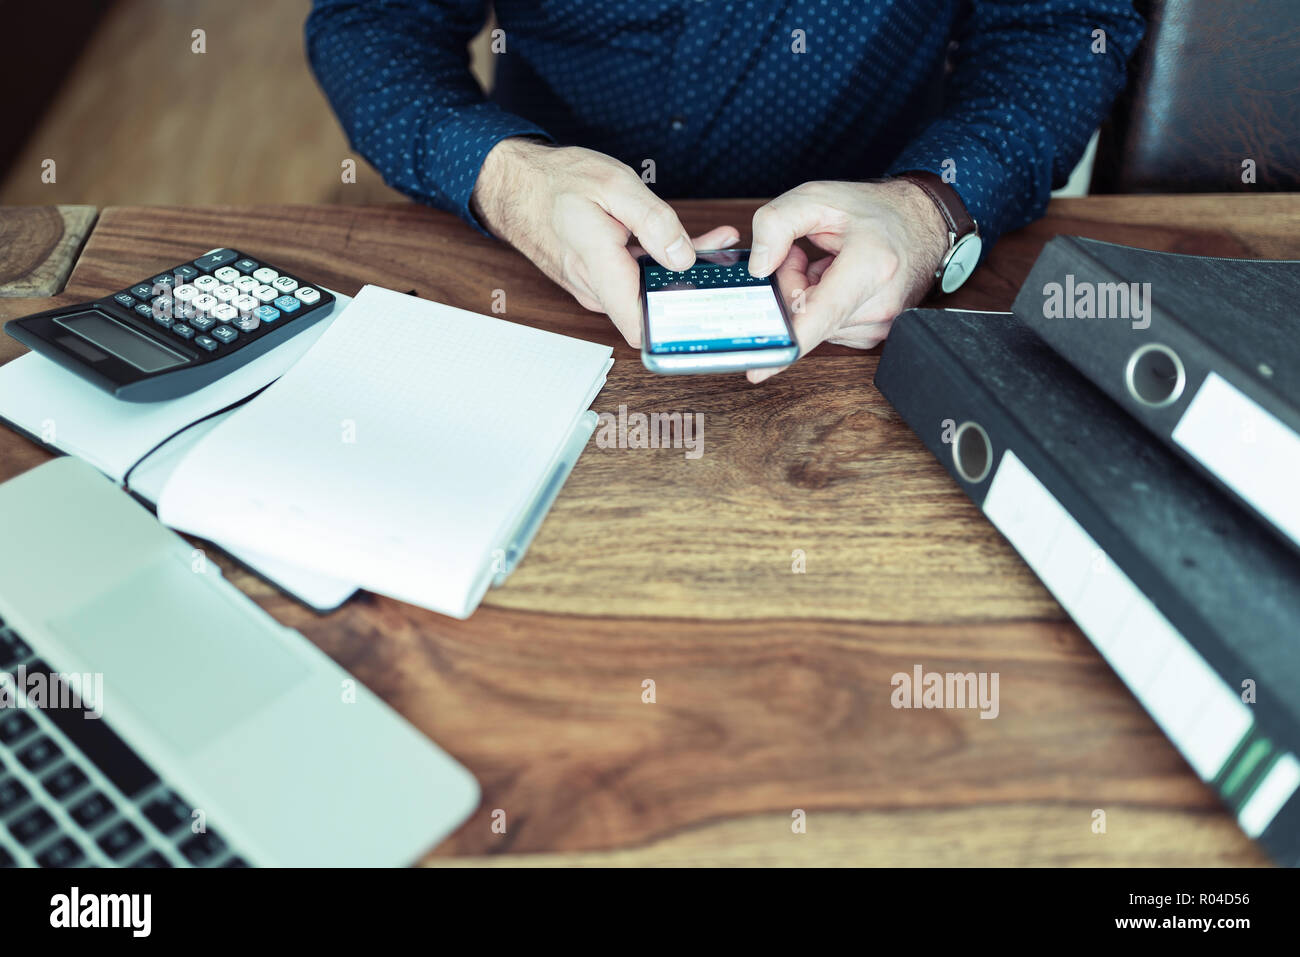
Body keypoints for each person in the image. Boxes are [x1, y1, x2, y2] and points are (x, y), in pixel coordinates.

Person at [307, 0, 1143, 381]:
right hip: (536, 284)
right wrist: (504, 178)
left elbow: (1060, 25)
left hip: (866, 297)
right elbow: (372, 18)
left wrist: (934, 208)